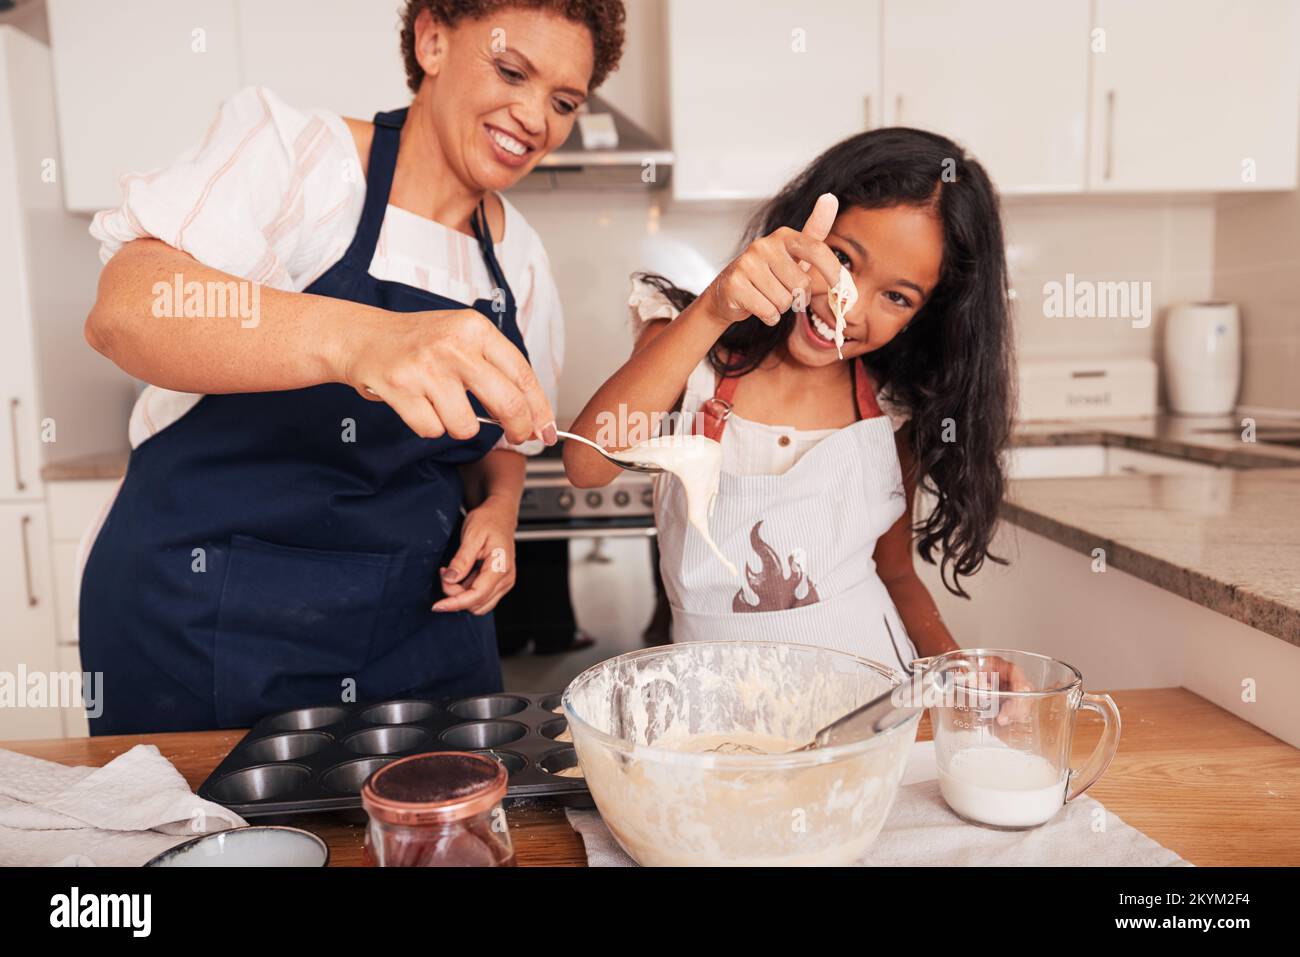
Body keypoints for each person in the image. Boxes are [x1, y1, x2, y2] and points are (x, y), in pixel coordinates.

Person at [78, 0, 626, 734]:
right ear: (432, 39)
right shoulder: (306, 163)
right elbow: (126, 309)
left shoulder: (518, 259)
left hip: (417, 628)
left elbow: (507, 439)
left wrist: (496, 511)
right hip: (209, 619)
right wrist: (361, 341)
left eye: (563, 102)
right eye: (510, 70)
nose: (535, 118)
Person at [564, 128, 1014, 672]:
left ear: (926, 316)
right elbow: (587, 463)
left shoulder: (892, 410)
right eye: (843, 260)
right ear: (801, 229)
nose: (848, 307)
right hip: (715, 702)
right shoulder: (692, 353)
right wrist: (713, 309)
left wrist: (955, 665)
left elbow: (893, 573)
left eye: (897, 297)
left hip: (868, 700)